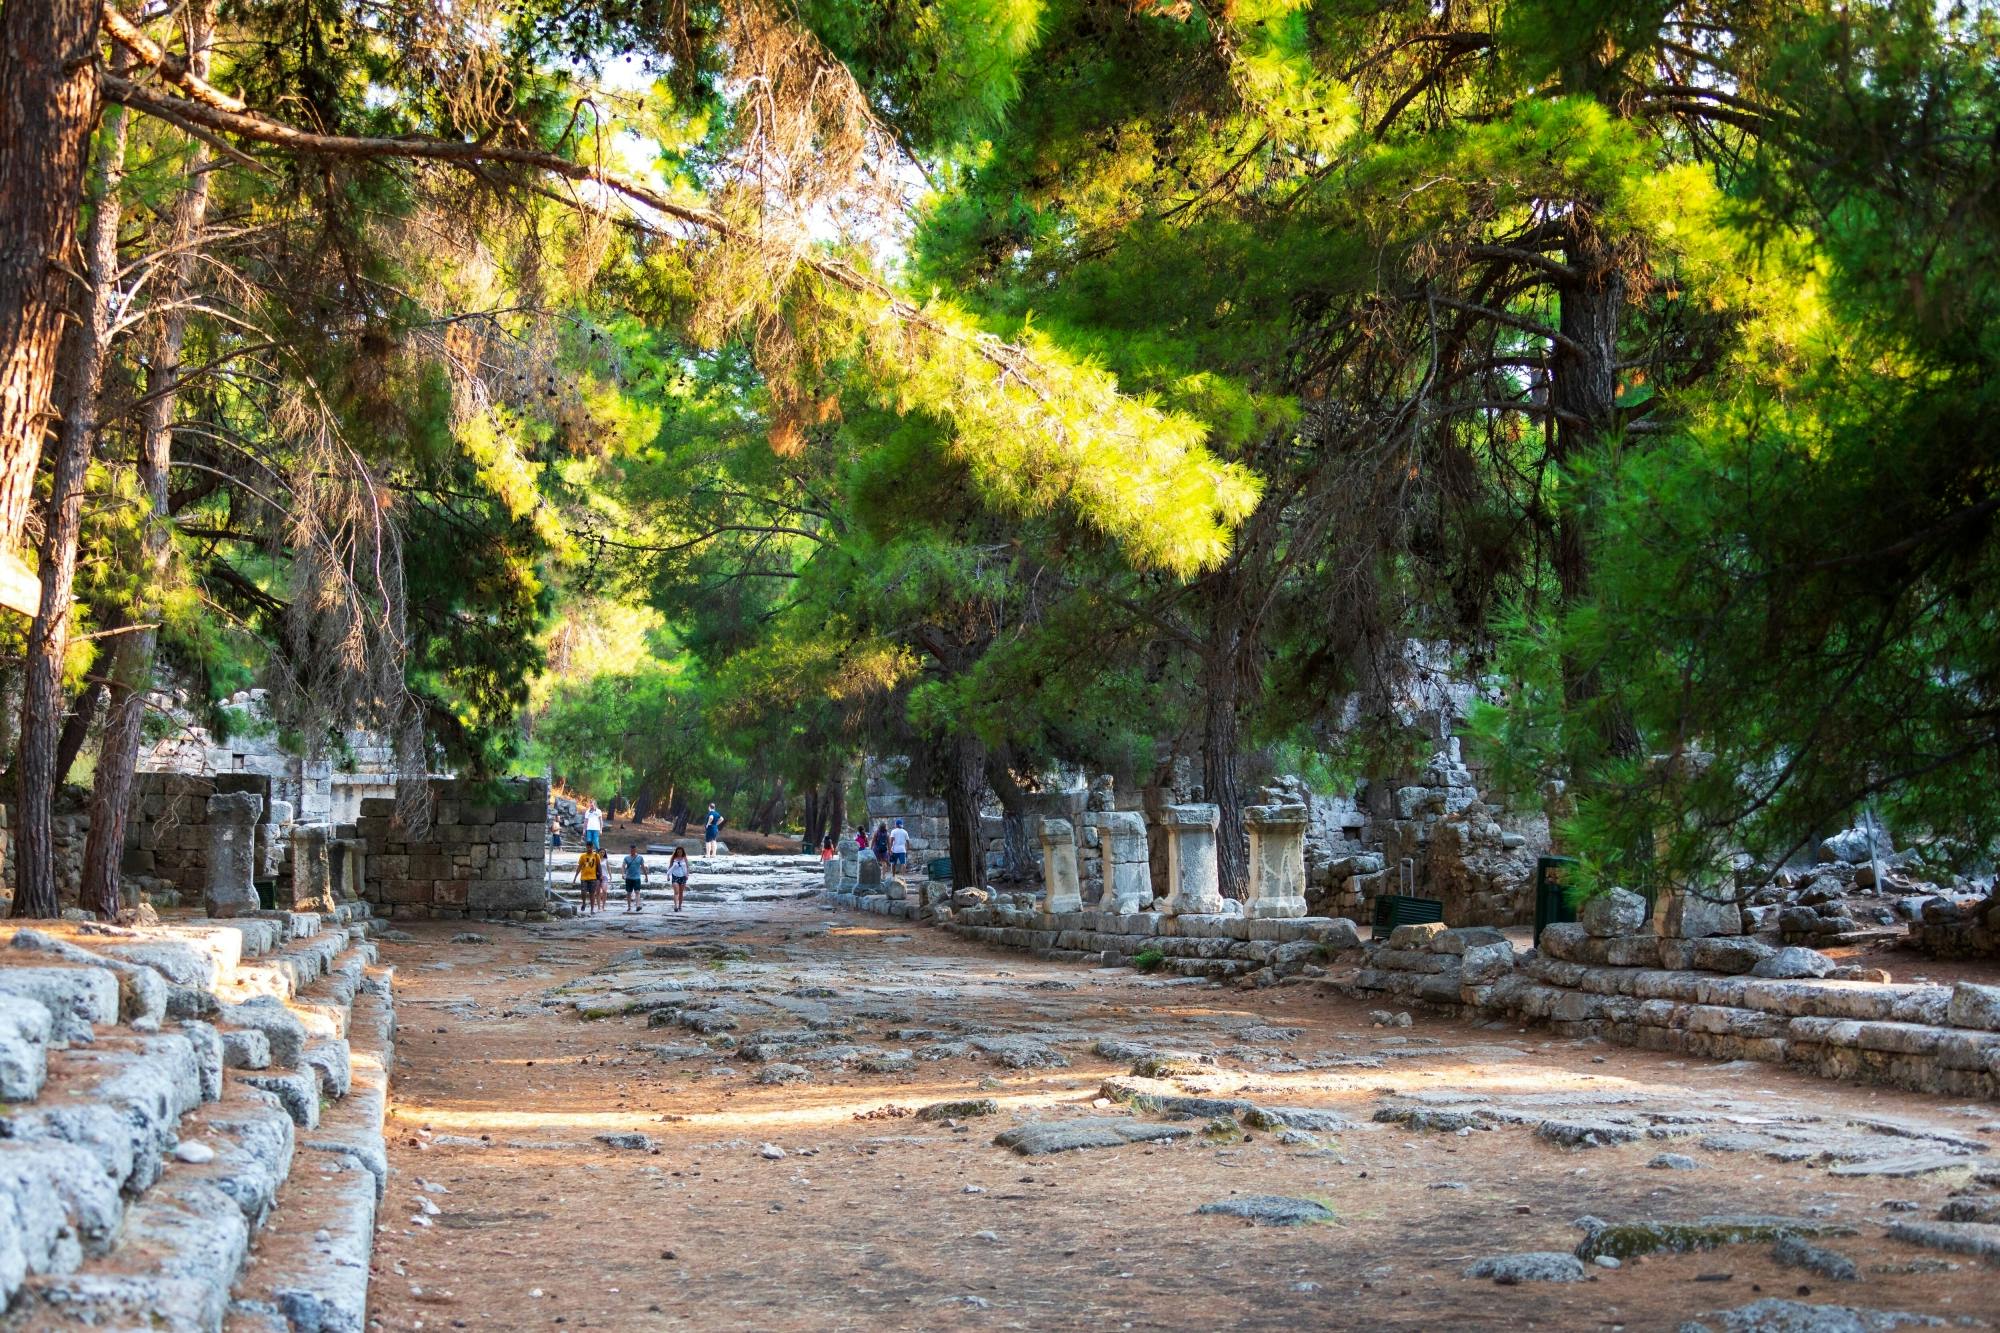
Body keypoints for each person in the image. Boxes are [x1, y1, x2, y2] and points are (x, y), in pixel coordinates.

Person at [573, 844, 603, 916]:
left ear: (592, 847)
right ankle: (584, 902)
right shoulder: (583, 856)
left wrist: (601, 875)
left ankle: (592, 909)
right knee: (583, 892)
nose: (589, 848)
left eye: (590, 847)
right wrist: (575, 877)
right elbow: (579, 867)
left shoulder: (596, 856)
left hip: (593, 877)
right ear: (586, 847)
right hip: (584, 877)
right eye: (587, 847)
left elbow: (599, 866)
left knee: (592, 894)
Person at [621, 842, 647, 914]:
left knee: (637, 892)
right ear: (630, 850)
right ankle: (629, 907)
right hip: (629, 877)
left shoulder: (640, 857)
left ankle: (638, 905)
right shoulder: (626, 858)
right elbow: (623, 866)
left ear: (636, 850)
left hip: (637, 878)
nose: (632, 851)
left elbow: (643, 867)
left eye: (634, 850)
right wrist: (623, 874)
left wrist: (646, 875)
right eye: (631, 850)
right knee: (629, 892)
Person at [667, 846, 690, 912]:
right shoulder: (673, 858)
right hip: (675, 876)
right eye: (678, 852)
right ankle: (675, 906)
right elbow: (670, 867)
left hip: (683, 877)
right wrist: (668, 876)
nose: (679, 853)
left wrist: (687, 875)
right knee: (676, 892)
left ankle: (680, 906)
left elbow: (687, 867)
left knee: (681, 892)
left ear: (683, 852)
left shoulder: (684, 858)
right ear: (676, 852)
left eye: (680, 852)